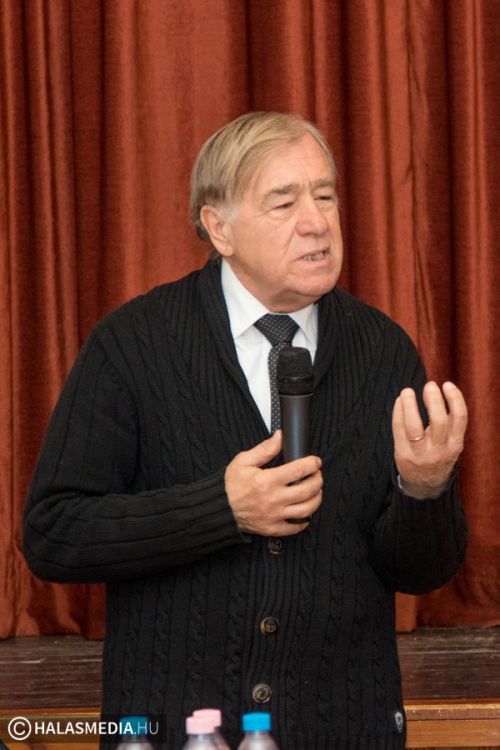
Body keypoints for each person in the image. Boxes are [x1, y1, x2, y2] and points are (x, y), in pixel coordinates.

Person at [23, 112, 468, 749]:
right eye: (284, 203)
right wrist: (219, 509)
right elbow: (55, 534)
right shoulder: (133, 345)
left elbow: (421, 573)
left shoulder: (383, 352)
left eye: (325, 196)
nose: (316, 222)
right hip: (176, 729)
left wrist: (423, 489)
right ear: (219, 228)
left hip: (342, 728)